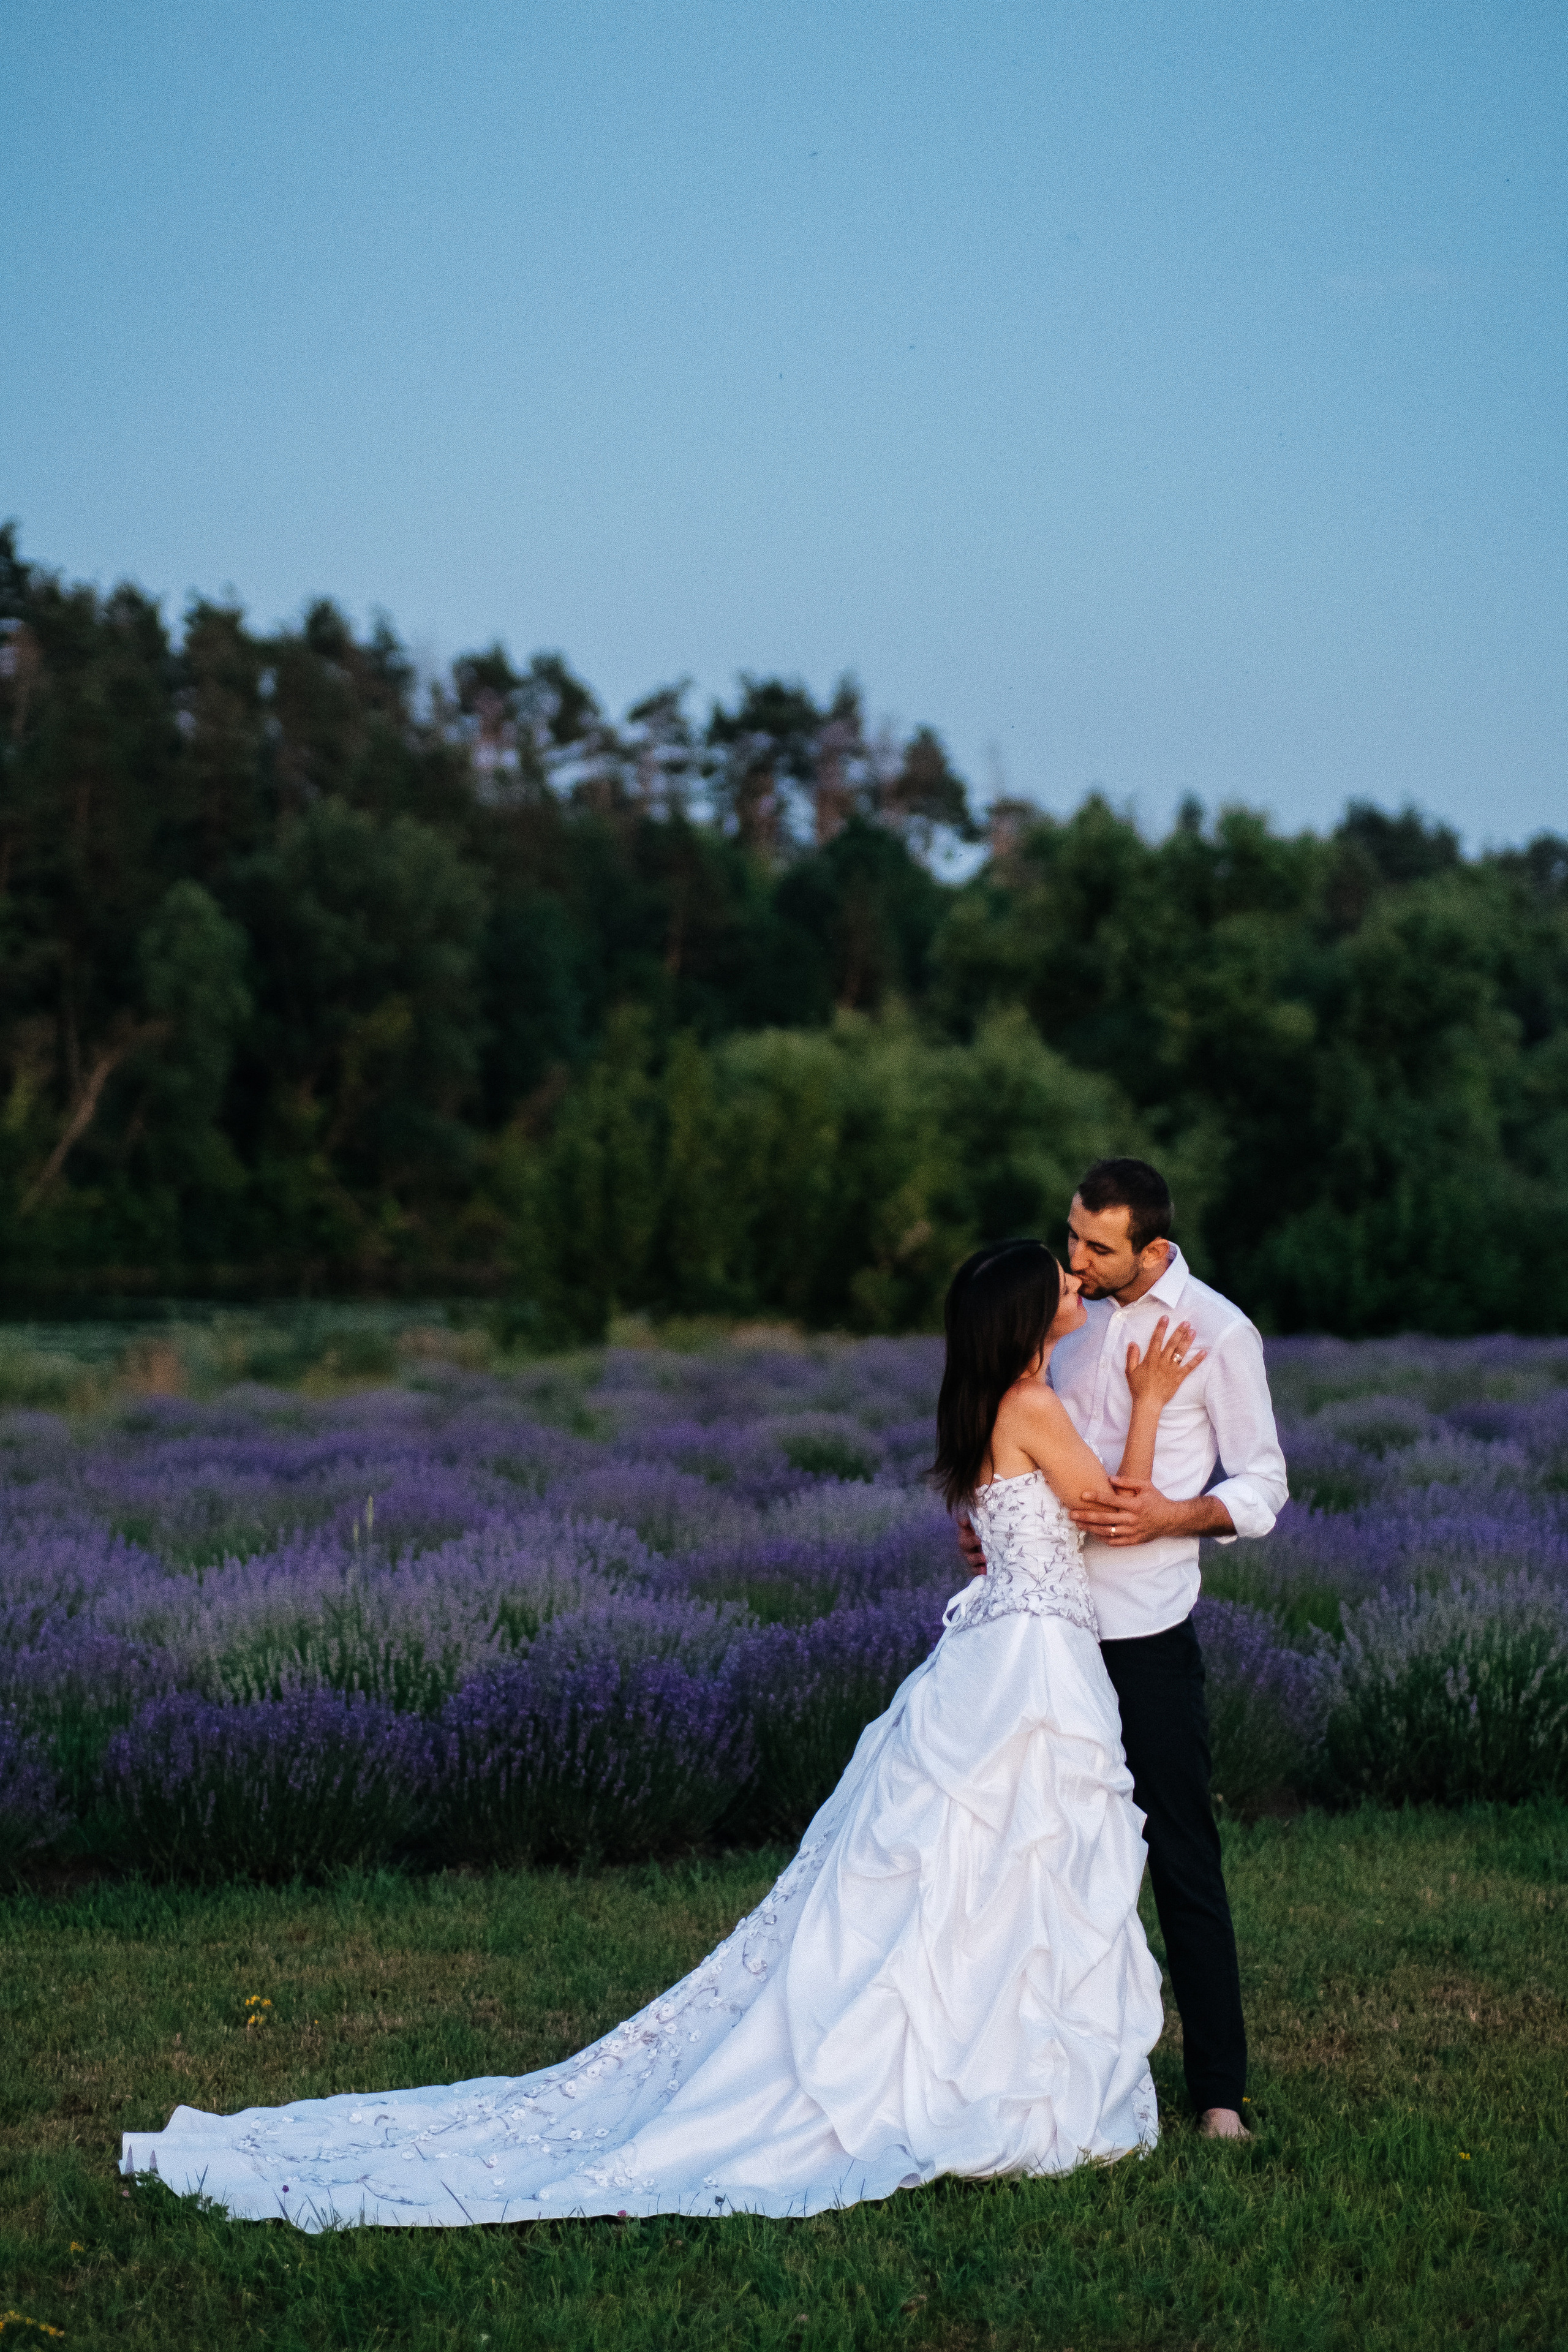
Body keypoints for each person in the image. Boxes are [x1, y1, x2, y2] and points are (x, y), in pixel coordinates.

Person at [123, 1241, 1201, 2232]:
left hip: (1004, 1654)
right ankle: (979, 2072)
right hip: (1028, 1666)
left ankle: (980, 2054)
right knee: (1003, 1865)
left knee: (982, 1875)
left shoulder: (992, 1405)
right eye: (1061, 1284)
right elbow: (1115, 1511)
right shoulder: (1036, 1404)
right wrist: (1151, 1400)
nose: (1077, 1288)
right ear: (1023, 1318)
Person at [958, 1159, 1288, 2140]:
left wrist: (1178, 1513)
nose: (1076, 1261)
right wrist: (996, 1517)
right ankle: (1029, 2065)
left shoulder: (1221, 1333)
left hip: (1143, 1635)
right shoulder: (1061, 1315)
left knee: (1182, 1856)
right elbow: (1015, 1435)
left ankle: (1218, 2093)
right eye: (1072, 1239)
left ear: (1153, 1247)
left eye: (1096, 1248)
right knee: (1031, 1857)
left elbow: (1265, 1483)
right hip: (1038, 1636)